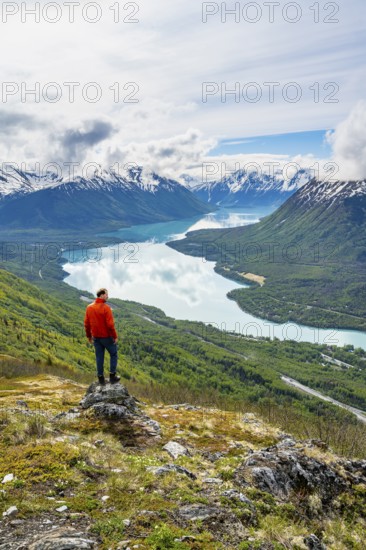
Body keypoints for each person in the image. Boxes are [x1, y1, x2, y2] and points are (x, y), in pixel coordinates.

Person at [84, 288, 121, 385]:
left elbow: (86, 324)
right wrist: (115, 336)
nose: (107, 296)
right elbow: (110, 325)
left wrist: (89, 336)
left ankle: (101, 379)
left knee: (99, 357)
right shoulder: (106, 308)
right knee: (113, 354)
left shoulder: (89, 307)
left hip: (96, 337)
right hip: (107, 337)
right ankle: (112, 377)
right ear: (101, 295)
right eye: (106, 294)